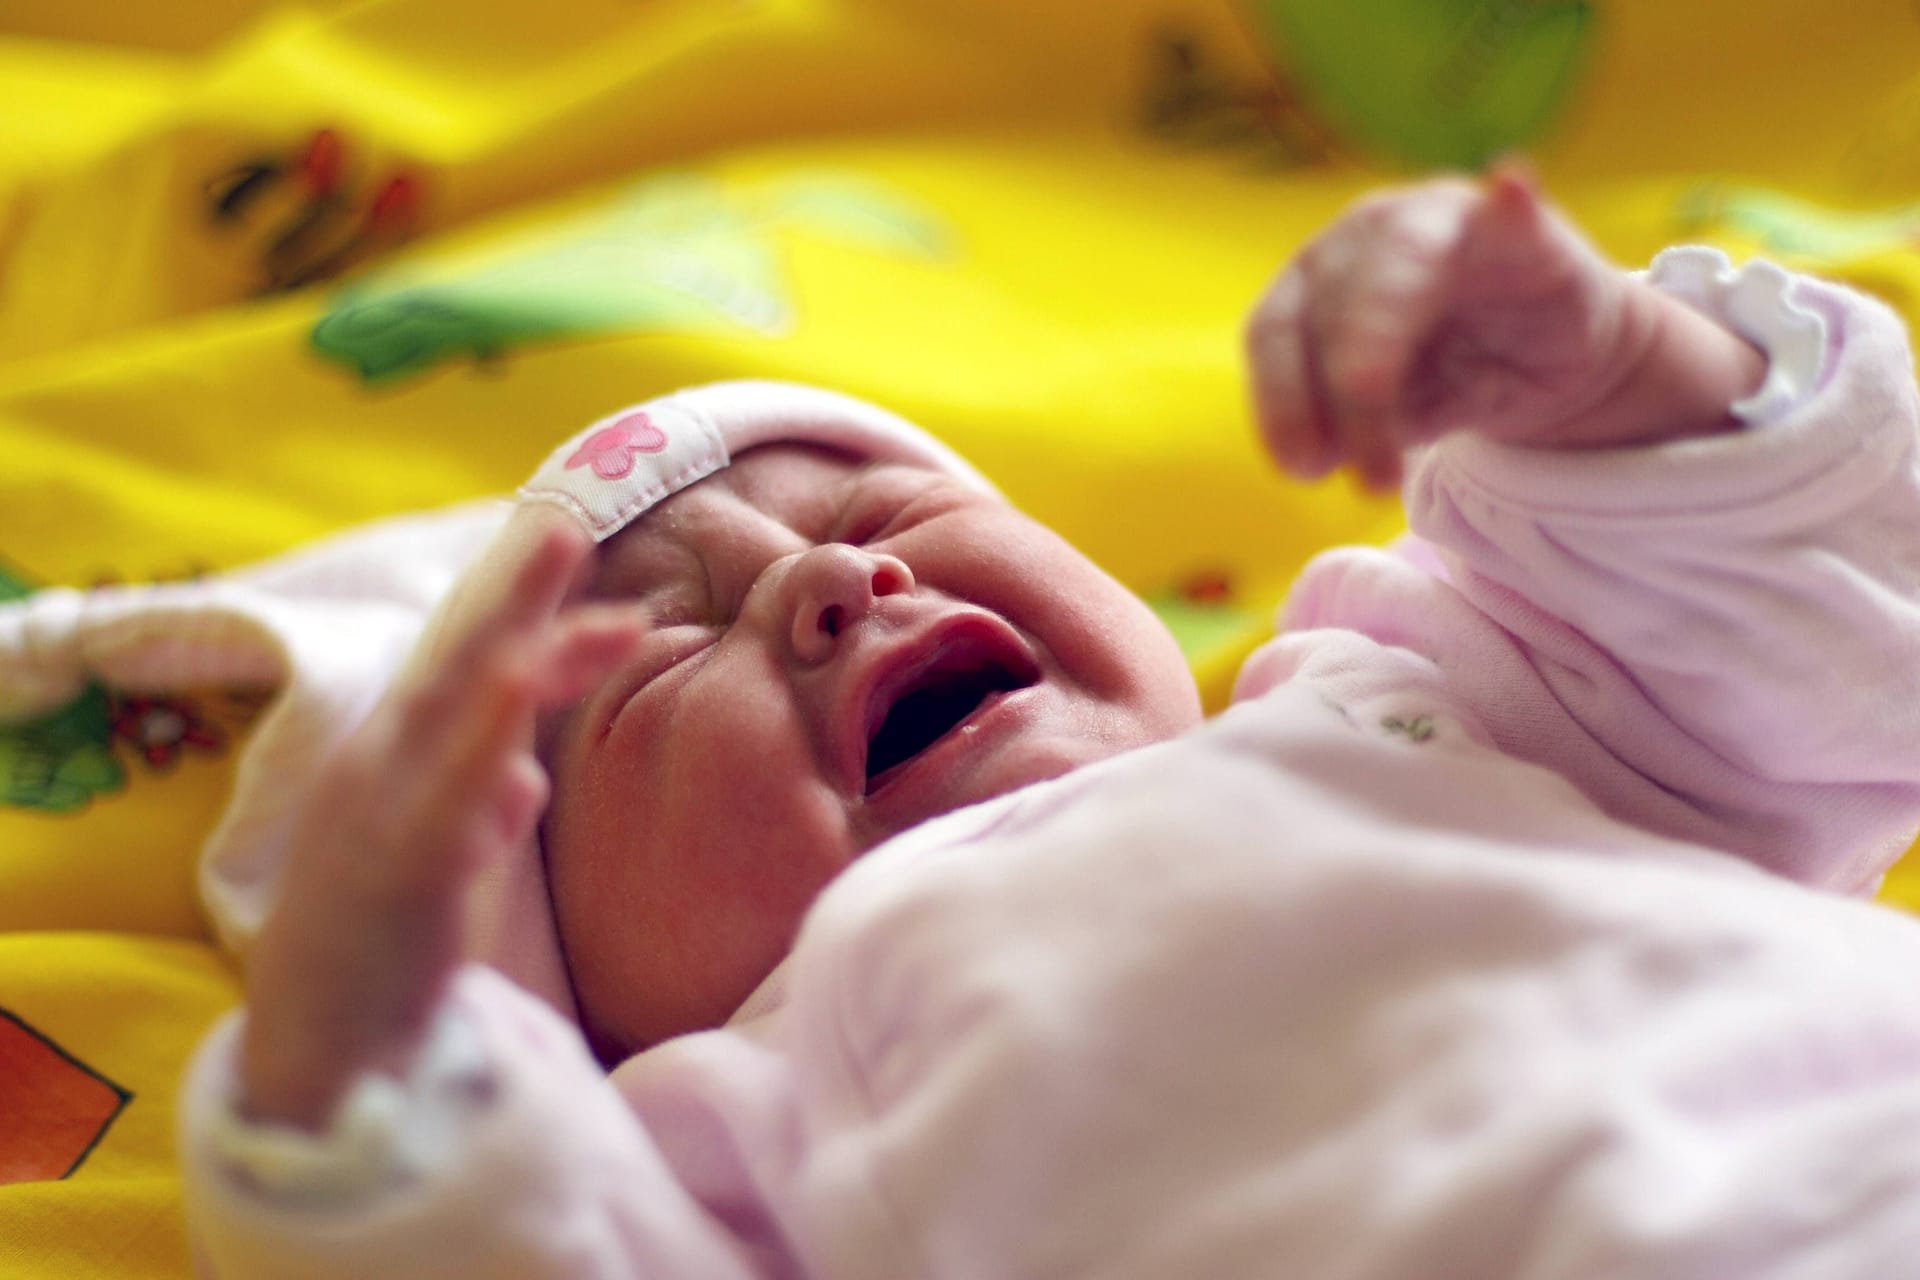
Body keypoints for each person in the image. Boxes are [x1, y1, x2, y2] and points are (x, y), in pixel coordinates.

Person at [179, 167, 1920, 1278]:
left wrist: (1623, 390)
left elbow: (1814, 633)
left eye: (879, 518)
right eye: (648, 666)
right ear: (576, 989)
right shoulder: (725, 1131)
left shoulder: (1410, 707)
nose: (822, 588)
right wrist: (362, 1059)